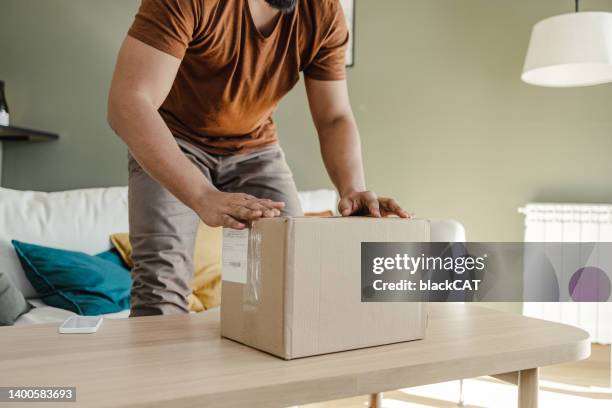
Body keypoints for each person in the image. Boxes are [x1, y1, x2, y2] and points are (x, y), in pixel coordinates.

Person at [107, 0, 409, 317]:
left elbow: (334, 116)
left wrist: (352, 188)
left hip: (255, 147)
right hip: (173, 139)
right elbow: (128, 102)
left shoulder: (323, 12)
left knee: (291, 275)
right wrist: (203, 195)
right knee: (160, 290)